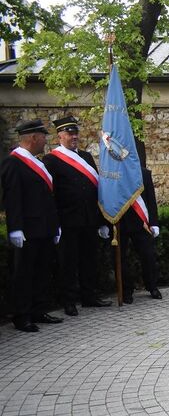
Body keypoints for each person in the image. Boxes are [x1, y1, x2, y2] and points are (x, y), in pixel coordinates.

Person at [42, 115, 111, 316]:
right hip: (68, 220)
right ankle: (69, 301)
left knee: (90, 260)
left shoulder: (87, 157)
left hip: (89, 218)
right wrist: (56, 223)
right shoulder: (51, 160)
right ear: (60, 136)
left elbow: (97, 189)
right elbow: (50, 193)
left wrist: (102, 220)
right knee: (68, 262)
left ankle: (90, 296)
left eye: (75, 133)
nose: (74, 137)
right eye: (69, 133)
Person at [1, 120, 64, 332]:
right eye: (43, 136)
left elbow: (48, 199)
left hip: (44, 228)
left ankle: (39, 309)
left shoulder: (39, 163)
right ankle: (22, 315)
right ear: (33, 137)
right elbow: (13, 198)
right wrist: (15, 228)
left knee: (42, 271)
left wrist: (55, 226)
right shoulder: (13, 163)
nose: (46, 140)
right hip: (27, 230)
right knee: (24, 274)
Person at [118, 166, 162, 304]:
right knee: (121, 258)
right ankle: (126, 290)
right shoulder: (111, 173)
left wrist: (154, 222)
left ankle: (152, 286)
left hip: (141, 222)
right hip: (120, 222)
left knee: (148, 255)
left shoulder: (143, 173)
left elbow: (150, 199)